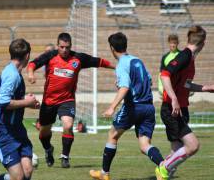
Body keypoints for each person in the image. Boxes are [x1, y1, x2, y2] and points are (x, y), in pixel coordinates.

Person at [27, 32, 115, 168]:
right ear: (57, 46)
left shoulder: (78, 58)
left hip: (67, 100)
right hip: (49, 101)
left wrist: (117, 67)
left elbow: (99, 62)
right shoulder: (50, 56)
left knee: (68, 125)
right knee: (44, 132)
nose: (64, 50)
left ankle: (65, 157)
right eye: (62, 47)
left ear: (70, 46)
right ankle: (48, 149)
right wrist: (31, 74)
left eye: (67, 47)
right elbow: (33, 64)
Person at [89, 32, 165, 180]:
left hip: (133, 107)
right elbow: (149, 82)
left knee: (112, 135)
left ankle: (104, 174)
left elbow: (124, 88)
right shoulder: (137, 60)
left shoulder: (122, 64)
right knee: (144, 145)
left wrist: (112, 107)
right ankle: (164, 167)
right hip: (148, 107)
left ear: (112, 48)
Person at [157, 25, 212, 180]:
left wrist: (207, 88)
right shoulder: (185, 56)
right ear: (203, 43)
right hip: (172, 109)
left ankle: (163, 174)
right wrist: (174, 98)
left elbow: (186, 85)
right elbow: (165, 75)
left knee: (177, 151)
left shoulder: (190, 58)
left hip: (180, 108)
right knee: (193, 145)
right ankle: (163, 167)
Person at [0, 39, 40, 180]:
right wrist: (26, 102)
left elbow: (9, 97)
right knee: (18, 177)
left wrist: (27, 101)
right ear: (27, 56)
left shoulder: (14, 73)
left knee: (27, 171)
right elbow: (3, 102)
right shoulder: (12, 75)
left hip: (18, 130)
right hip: (5, 132)